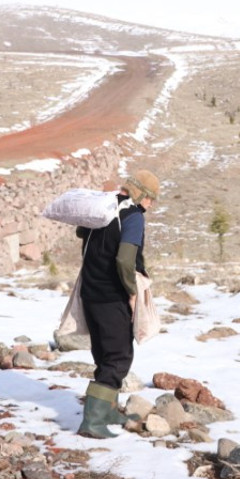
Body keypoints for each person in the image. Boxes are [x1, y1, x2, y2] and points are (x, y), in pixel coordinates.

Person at [75, 169, 160, 438]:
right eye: (151, 199)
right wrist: (131, 291)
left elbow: (82, 234)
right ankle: (93, 422)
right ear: (142, 194)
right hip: (112, 296)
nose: (151, 205)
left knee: (103, 353)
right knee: (119, 356)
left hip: (90, 293)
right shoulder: (132, 216)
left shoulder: (102, 210)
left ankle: (108, 409)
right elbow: (125, 259)